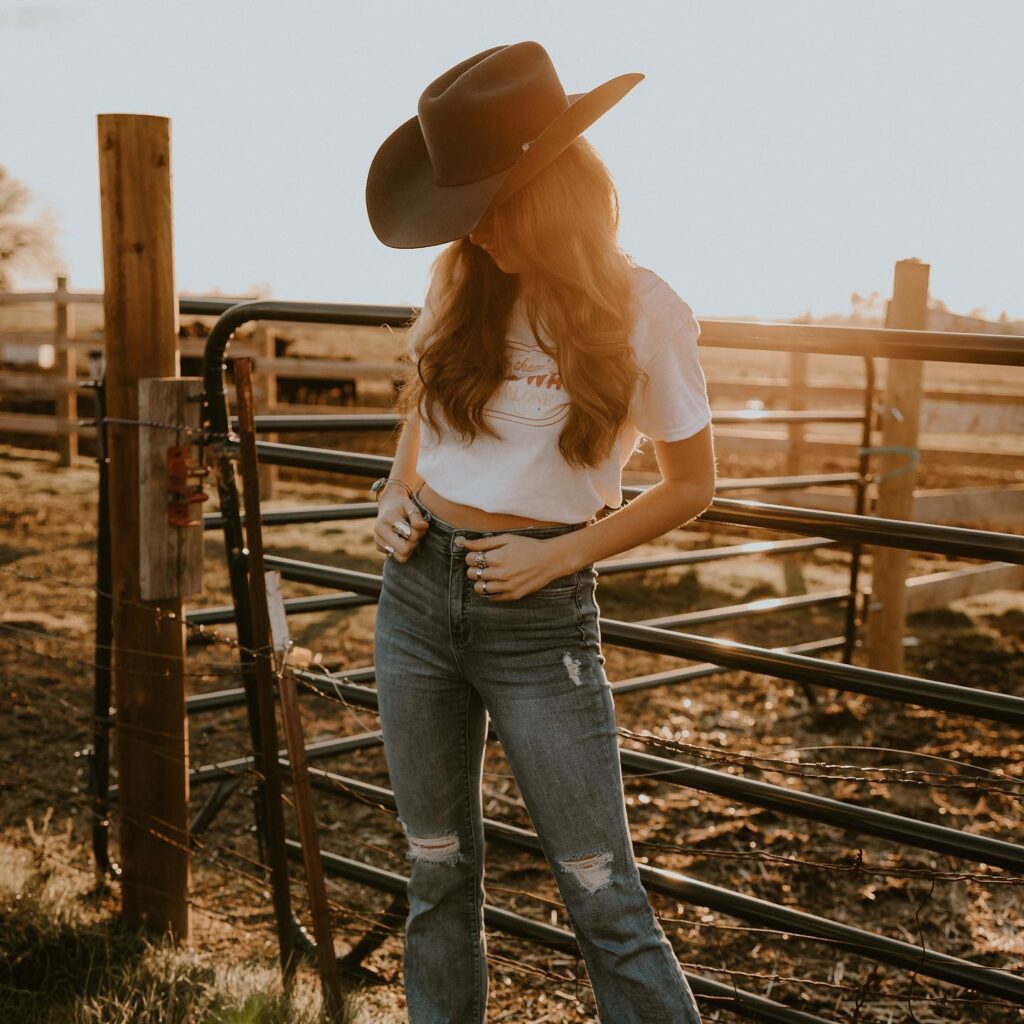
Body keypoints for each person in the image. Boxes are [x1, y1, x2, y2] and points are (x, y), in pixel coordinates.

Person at [365, 41, 715, 1024]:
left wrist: (558, 554)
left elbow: (692, 485)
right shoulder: (464, 279)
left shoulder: (645, 309)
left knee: (601, 889)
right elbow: (424, 399)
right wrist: (395, 490)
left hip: (540, 619)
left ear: (547, 196)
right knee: (435, 867)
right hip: (416, 596)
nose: (471, 234)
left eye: (487, 210)